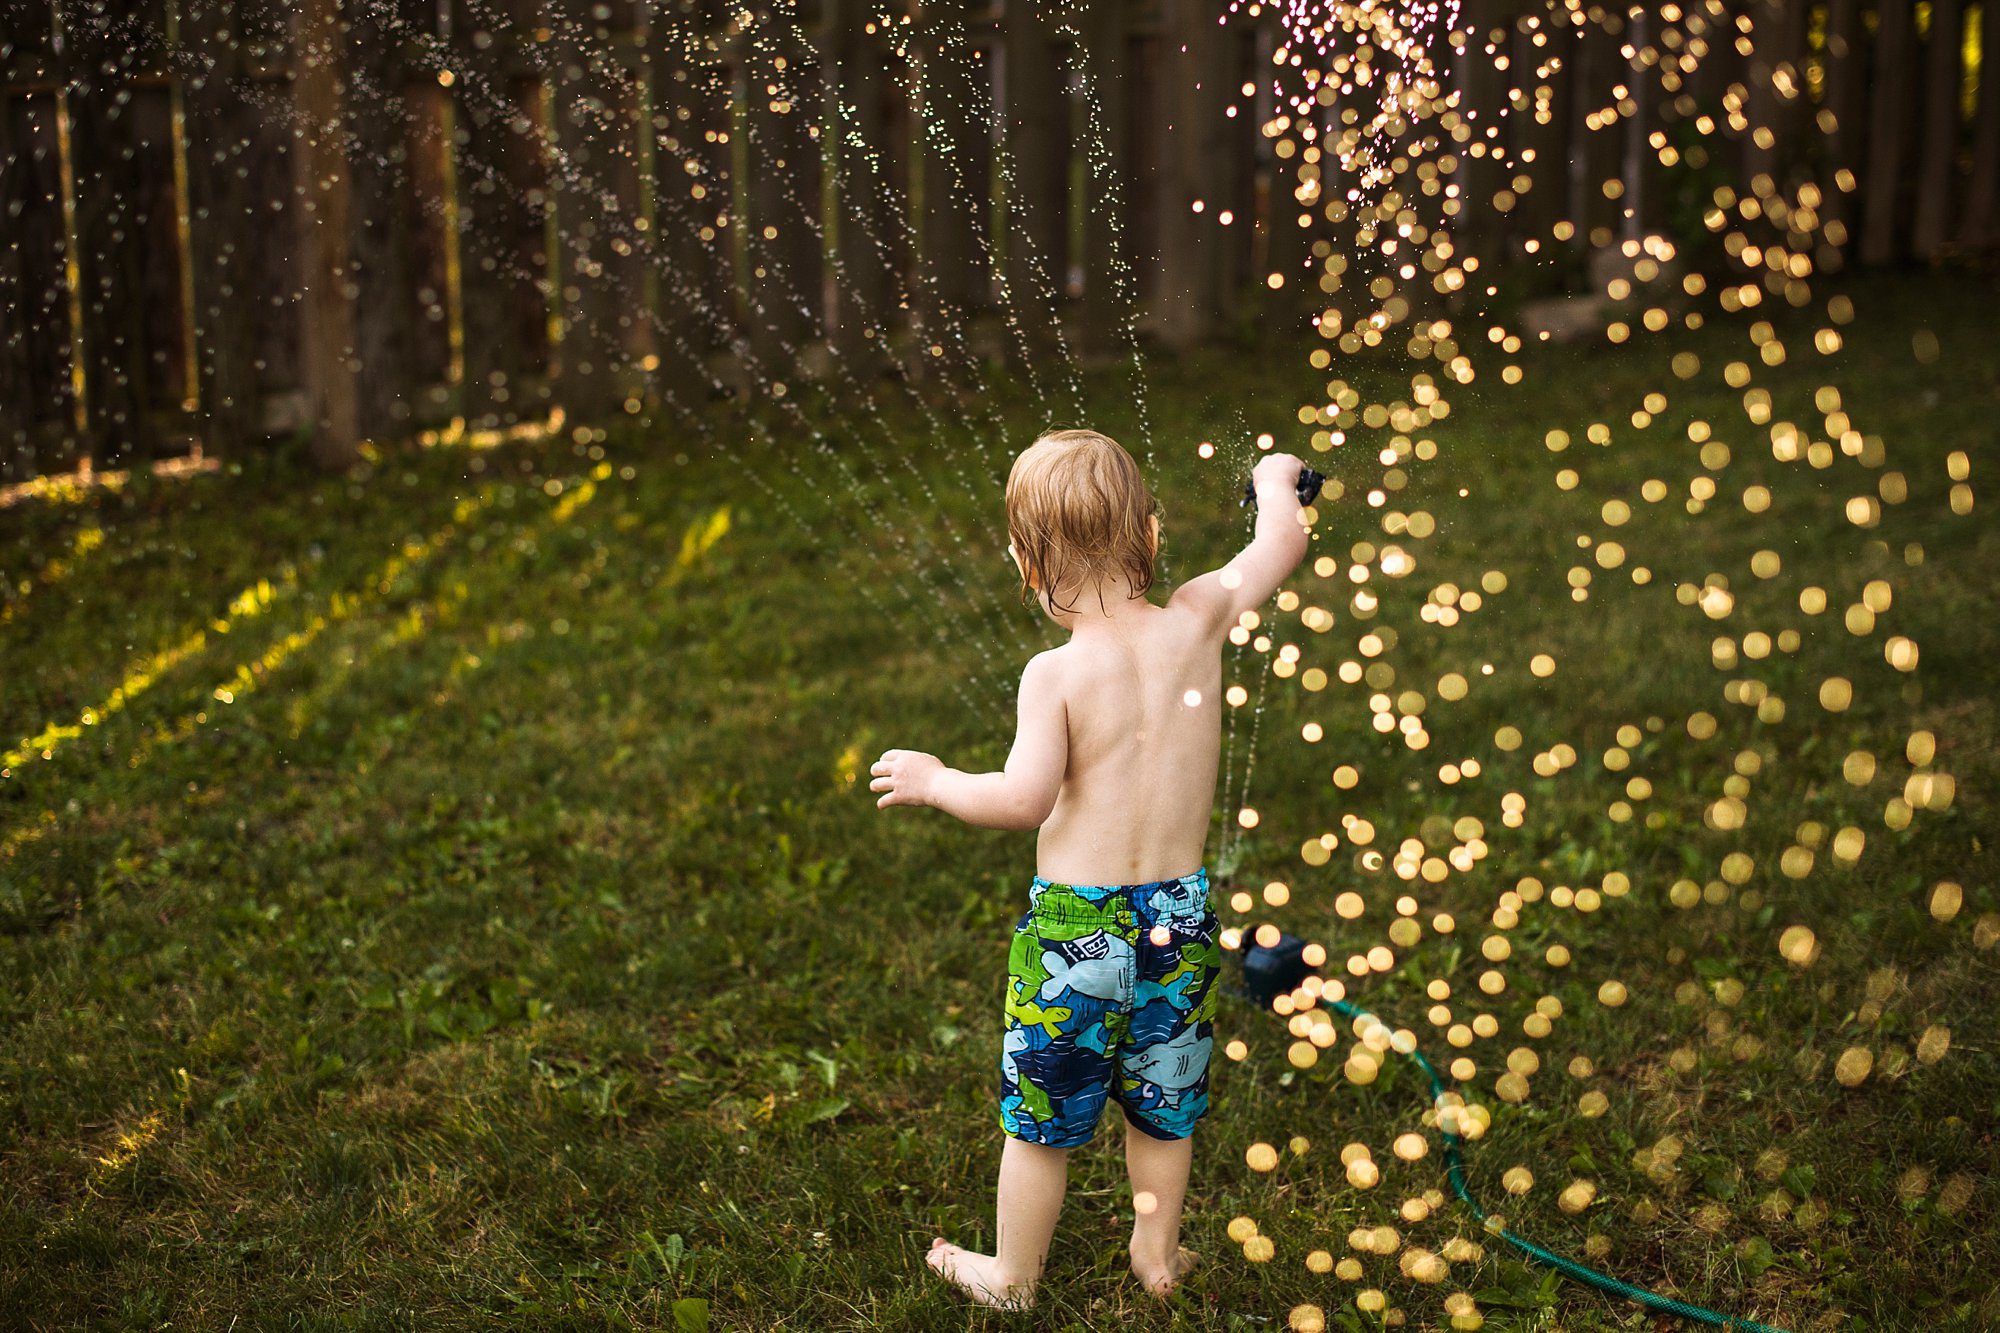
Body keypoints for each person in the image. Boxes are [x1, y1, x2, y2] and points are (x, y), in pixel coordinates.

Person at [870, 429, 1315, 1308]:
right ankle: (1157, 1255)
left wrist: (937, 780)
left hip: (1077, 934)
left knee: (1041, 1125)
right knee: (1164, 1105)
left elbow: (1025, 798)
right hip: (1178, 922)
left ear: (1026, 568)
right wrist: (1274, 481)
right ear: (1150, 535)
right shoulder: (1198, 617)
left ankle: (1012, 1275)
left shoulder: (1056, 673)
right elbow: (1281, 541)